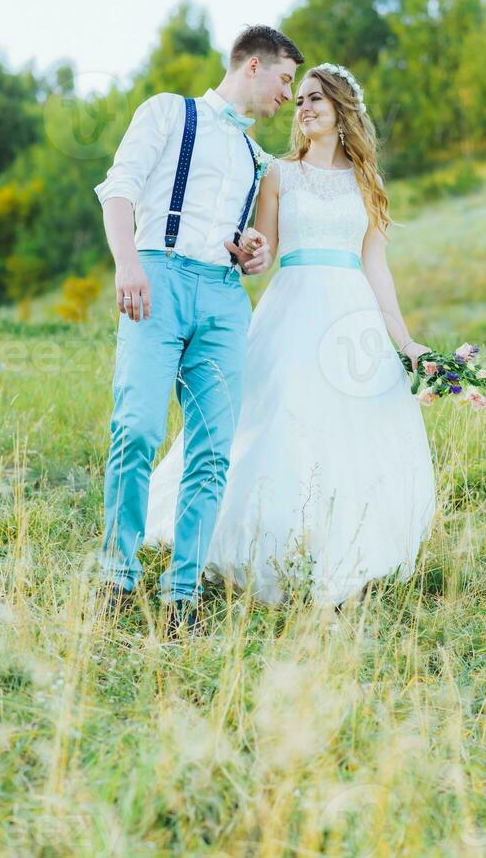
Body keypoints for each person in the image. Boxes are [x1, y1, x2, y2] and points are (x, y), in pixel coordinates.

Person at [144, 63, 436, 611]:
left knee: (354, 431)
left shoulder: (366, 182)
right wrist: (251, 254)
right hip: (292, 309)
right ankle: (258, 544)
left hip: (352, 317)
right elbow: (264, 253)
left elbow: (377, 269)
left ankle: (344, 548)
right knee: (275, 417)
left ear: (342, 110)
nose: (303, 108)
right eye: (298, 99)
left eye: (315, 100)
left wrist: (405, 342)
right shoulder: (277, 172)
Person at [93, 25, 304, 633]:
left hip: (222, 297)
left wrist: (253, 252)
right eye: (285, 79)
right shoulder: (167, 112)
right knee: (135, 427)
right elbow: (118, 191)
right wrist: (128, 263)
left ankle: (180, 591)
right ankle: (117, 575)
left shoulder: (257, 158)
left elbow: (251, 247)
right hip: (155, 277)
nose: (287, 95)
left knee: (213, 449)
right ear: (255, 66)